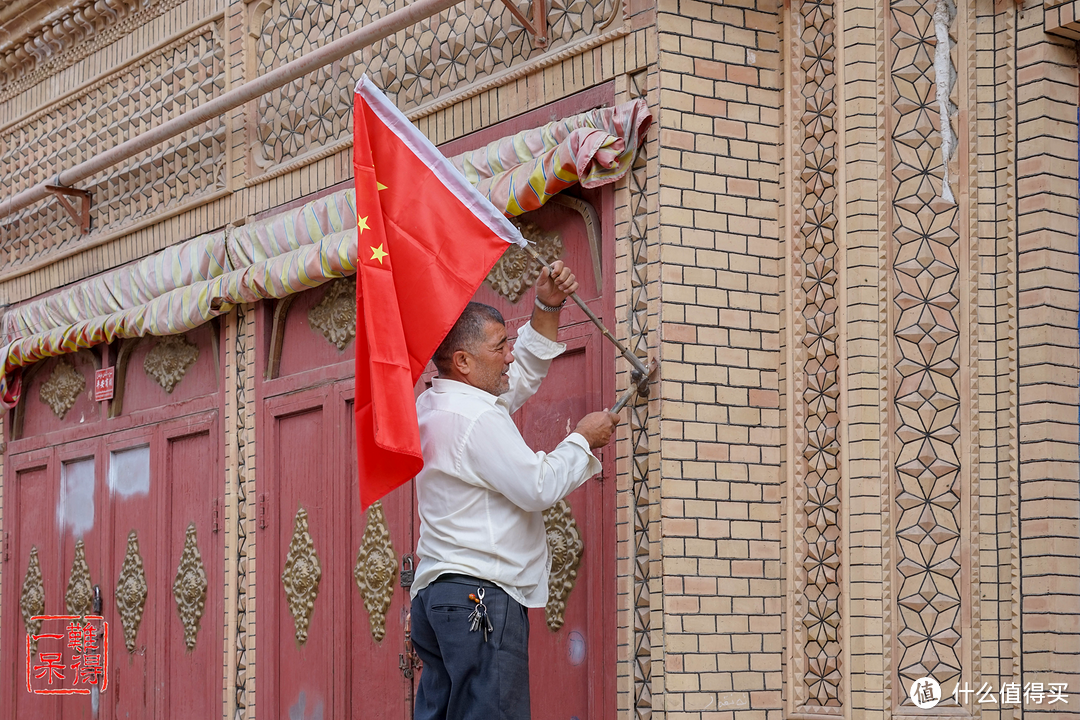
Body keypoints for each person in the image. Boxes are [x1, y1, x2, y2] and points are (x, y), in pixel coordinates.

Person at [409, 260, 619, 720]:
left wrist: (546, 305)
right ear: (463, 361)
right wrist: (583, 439)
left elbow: (516, 376)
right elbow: (537, 486)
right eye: (500, 345)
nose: (509, 354)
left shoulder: (436, 401)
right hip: (479, 597)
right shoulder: (476, 419)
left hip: (439, 599)